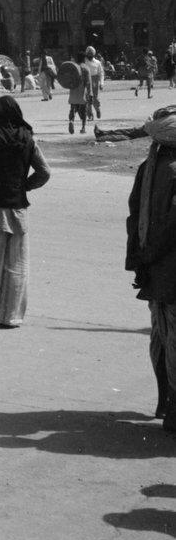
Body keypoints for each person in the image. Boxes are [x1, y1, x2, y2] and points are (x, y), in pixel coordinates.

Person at [0, 95, 51, 329]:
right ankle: (10, 316)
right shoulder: (28, 139)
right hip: (18, 207)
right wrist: (23, 187)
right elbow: (44, 172)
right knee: (17, 263)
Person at [124, 105, 176, 432]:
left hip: (155, 271)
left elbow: (134, 219)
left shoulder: (148, 168)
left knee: (161, 337)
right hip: (167, 268)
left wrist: (139, 262)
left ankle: (164, 404)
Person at [62, 51, 93, 135]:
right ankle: (83, 128)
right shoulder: (86, 68)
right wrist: (90, 94)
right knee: (84, 111)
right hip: (83, 92)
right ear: (84, 58)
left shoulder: (73, 67)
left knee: (73, 108)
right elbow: (88, 83)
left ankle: (71, 120)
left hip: (73, 90)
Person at [84, 45, 105, 122]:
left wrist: (101, 83)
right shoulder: (84, 62)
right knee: (87, 99)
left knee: (95, 99)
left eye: (91, 54)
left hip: (95, 82)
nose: (89, 55)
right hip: (86, 81)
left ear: (93, 54)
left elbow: (101, 73)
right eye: (88, 54)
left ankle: (97, 109)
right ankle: (90, 115)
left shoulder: (97, 63)